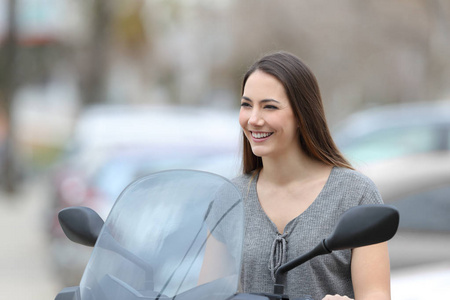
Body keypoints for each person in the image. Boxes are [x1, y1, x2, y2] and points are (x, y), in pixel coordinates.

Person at [231, 51, 391, 300]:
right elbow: (209, 292)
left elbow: (376, 295)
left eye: (269, 106)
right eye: (246, 104)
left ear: (301, 115)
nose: (253, 119)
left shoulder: (356, 194)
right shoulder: (230, 198)